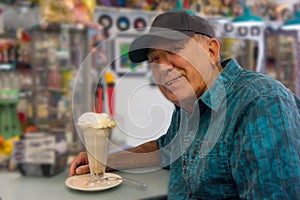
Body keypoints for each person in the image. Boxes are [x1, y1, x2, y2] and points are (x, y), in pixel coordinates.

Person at [69, 11, 300, 199]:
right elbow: (164, 150)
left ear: (211, 51)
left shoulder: (260, 103)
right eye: (155, 59)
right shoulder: (188, 108)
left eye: (175, 50)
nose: (163, 67)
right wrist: (105, 160)